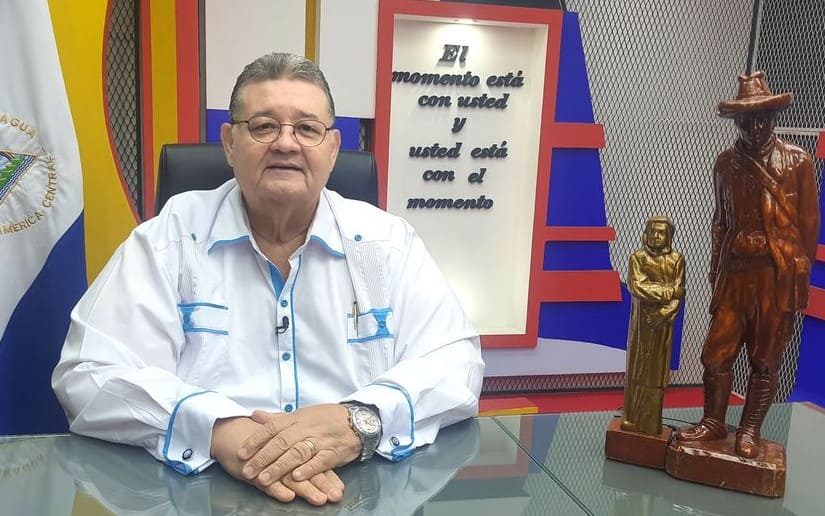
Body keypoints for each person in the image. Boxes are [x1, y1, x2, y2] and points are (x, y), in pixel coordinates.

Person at [52, 52, 484, 506]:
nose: (286, 143)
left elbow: (457, 364)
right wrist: (218, 429)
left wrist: (361, 420)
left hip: (360, 492)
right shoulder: (168, 240)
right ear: (229, 143)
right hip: (204, 493)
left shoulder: (388, 243)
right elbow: (87, 375)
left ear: (332, 149)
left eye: (307, 128)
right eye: (263, 126)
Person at [675, 71, 819, 458]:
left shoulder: (797, 161)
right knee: (715, 353)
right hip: (735, 273)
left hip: (774, 274)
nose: (755, 127)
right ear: (737, 121)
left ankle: (750, 429)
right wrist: (715, 272)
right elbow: (720, 222)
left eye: (762, 119)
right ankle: (713, 422)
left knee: (765, 358)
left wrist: (795, 277)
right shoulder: (726, 164)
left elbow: (809, 226)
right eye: (747, 120)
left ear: (772, 118)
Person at [621, 216, 685, 435]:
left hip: (662, 326)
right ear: (646, 234)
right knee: (637, 371)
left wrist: (663, 313)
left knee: (657, 375)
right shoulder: (638, 258)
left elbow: (680, 294)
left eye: (662, 233)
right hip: (641, 326)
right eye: (653, 232)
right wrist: (668, 291)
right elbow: (638, 287)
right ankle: (632, 418)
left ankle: (651, 422)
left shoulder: (676, 260)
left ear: (669, 237)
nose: (657, 236)